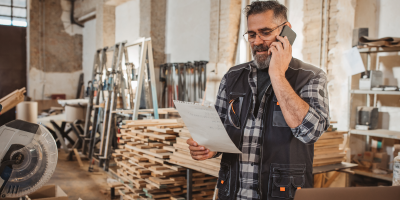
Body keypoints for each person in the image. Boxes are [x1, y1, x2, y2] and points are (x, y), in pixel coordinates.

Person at [187, 1, 330, 200]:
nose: (257, 41)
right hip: (232, 193)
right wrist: (209, 148)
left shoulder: (311, 76)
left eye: (265, 32)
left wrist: (278, 75)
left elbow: (309, 132)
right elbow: (219, 132)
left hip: (282, 193)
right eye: (252, 34)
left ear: (286, 32)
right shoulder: (232, 77)